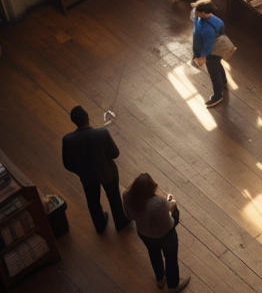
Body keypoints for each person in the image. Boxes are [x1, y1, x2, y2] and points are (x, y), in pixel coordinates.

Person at [61, 105, 131, 234]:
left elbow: (67, 164)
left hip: (87, 177)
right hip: (107, 171)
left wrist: (80, 171)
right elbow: (115, 153)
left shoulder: (68, 140)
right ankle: (120, 222)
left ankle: (100, 224)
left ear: (74, 121)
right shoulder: (102, 133)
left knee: (93, 202)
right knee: (114, 197)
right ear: (88, 117)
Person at [123, 173, 190, 292]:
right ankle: (173, 285)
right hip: (165, 236)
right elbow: (169, 224)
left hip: (144, 233)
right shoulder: (158, 203)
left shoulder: (127, 197)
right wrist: (171, 206)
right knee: (170, 259)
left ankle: (160, 278)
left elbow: (129, 216)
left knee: (154, 254)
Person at [191, 0, 227, 107]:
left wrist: (202, 57)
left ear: (204, 13)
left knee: (214, 74)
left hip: (212, 53)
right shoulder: (204, 18)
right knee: (218, 66)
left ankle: (218, 96)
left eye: (197, 10)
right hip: (215, 50)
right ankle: (223, 82)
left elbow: (208, 46)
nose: (194, 12)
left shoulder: (208, 30)